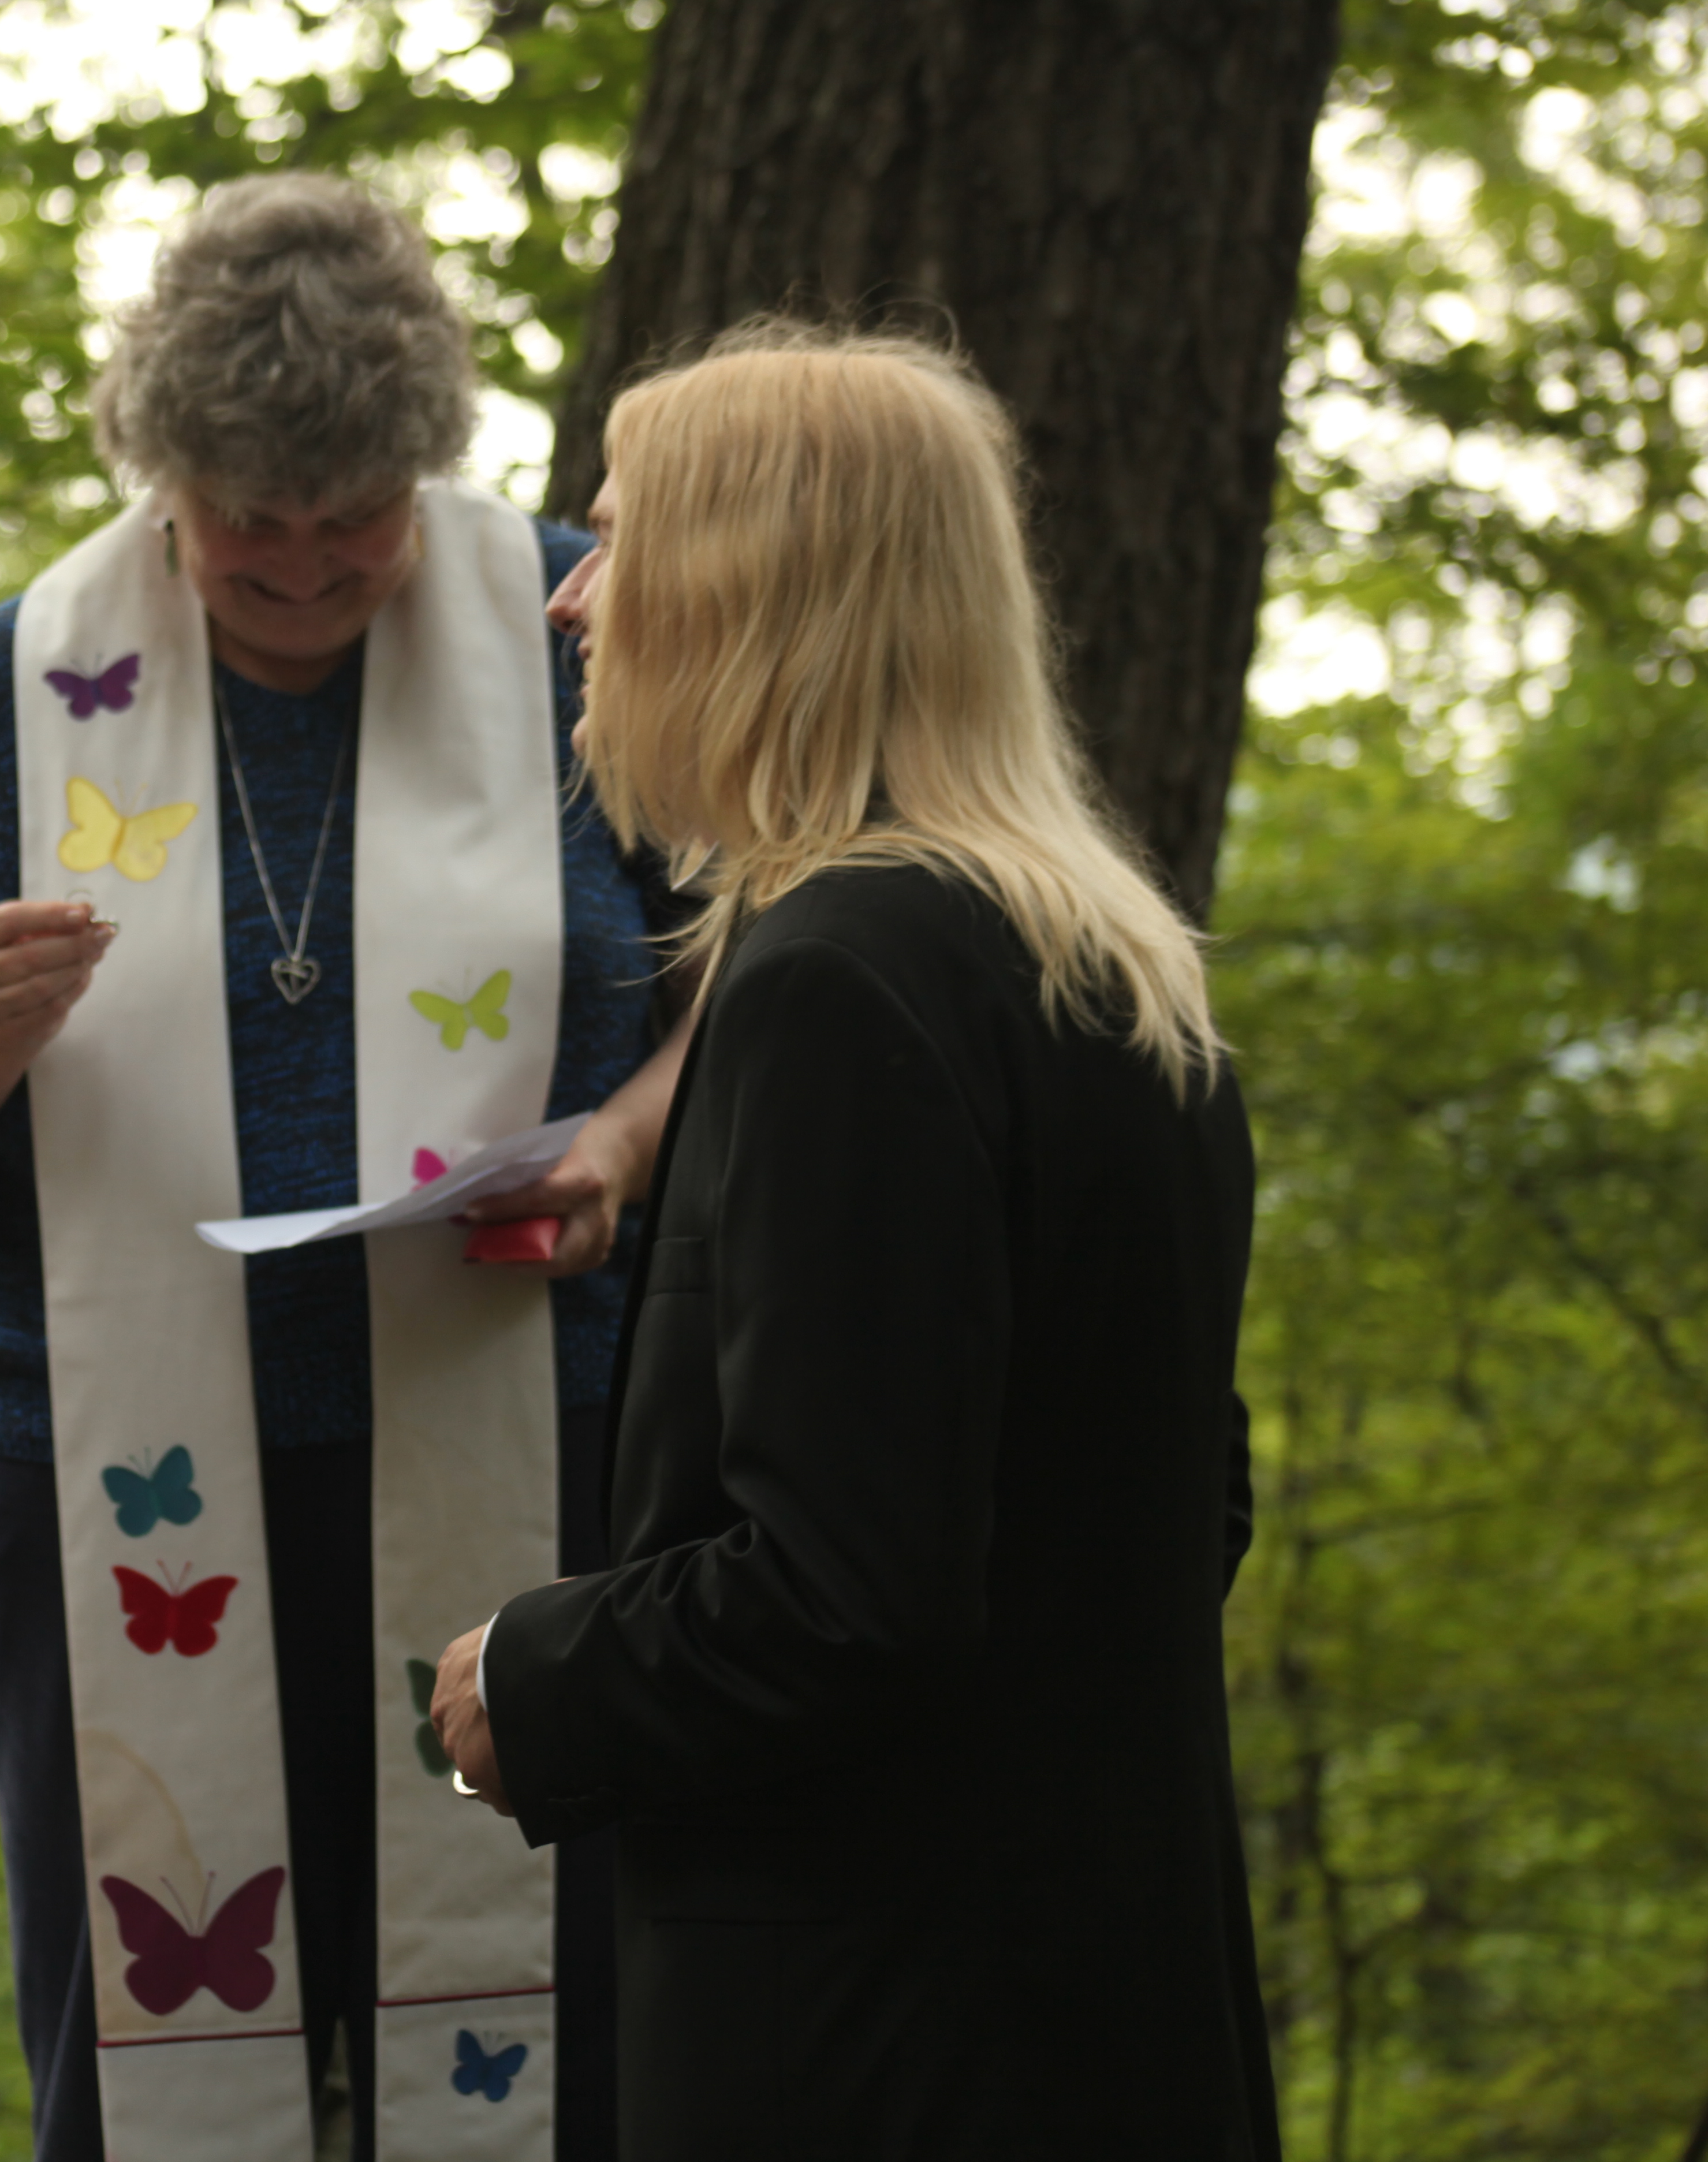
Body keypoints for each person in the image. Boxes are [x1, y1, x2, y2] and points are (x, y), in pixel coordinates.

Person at [0, 173, 693, 2162]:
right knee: (151, 2036)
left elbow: (758, 962)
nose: (299, 568)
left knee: (552, 2032)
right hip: (113, 1476)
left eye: (351, 518)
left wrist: (626, 1144)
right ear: (161, 480)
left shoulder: (573, 629)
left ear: (426, 463)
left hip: (530, 1434)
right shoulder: (23, 681)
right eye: (245, 524)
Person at [427, 323, 1280, 2157]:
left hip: (877, 2030)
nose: (573, 601)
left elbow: (847, 1593)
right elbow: (1177, 1511)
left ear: (751, 590)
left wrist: (532, 1676)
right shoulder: (1114, 970)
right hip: (1107, 1999)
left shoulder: (840, 981)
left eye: (618, 540)